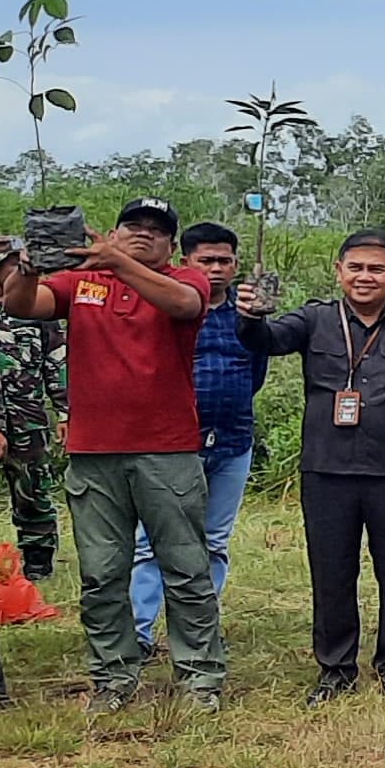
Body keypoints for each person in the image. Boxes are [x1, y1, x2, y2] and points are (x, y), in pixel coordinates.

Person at [0, 198, 221, 710]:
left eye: (156, 231)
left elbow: (185, 305)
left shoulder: (186, 278)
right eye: (132, 227)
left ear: (170, 244)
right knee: (101, 572)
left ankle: (200, 677)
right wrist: (27, 269)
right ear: (112, 232)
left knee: (185, 567)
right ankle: (114, 678)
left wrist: (121, 262)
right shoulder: (82, 282)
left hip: (167, 450)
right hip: (94, 450)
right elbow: (21, 306)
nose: (143, 235)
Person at [239, 229, 385, 700]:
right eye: (355, 267)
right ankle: (335, 669)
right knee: (332, 571)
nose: (365, 277)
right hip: (327, 471)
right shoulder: (314, 319)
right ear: (338, 271)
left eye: (377, 269)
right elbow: (266, 341)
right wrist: (251, 315)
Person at [130, 222, 270, 649]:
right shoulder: (167, 308)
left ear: (235, 265)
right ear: (184, 261)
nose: (215, 269)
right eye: (205, 260)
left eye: (224, 260)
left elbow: (256, 373)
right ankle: (137, 631)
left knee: (213, 542)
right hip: (172, 444)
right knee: (152, 542)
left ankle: (198, 631)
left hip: (233, 440)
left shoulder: (248, 316)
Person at [0, 239, 63, 581]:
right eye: (13, 266)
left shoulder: (38, 308)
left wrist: (66, 411)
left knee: (34, 491)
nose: (21, 273)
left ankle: (38, 561)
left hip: (28, 418)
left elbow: (56, 363)